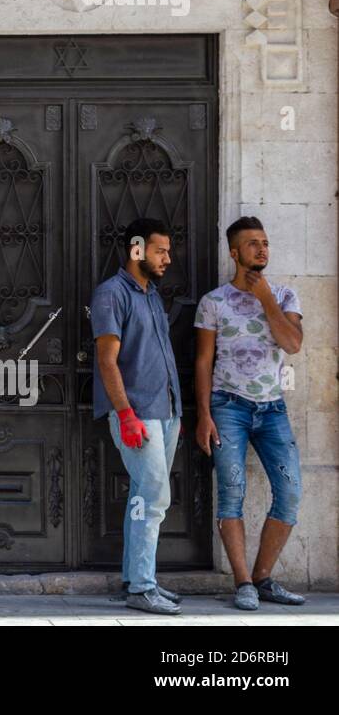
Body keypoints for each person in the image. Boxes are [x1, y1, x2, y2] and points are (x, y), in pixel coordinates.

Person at [194, 216, 306, 611]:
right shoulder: (213, 302)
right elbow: (203, 362)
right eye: (252, 243)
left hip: (272, 409)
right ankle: (243, 583)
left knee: (290, 493)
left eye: (265, 242)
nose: (261, 249)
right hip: (228, 407)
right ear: (234, 252)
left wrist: (267, 301)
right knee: (232, 493)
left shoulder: (285, 296)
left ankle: (263, 577)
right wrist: (204, 414)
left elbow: (292, 344)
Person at [90, 217, 184, 615]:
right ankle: (143, 587)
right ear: (136, 249)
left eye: (168, 251)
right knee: (154, 497)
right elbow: (107, 361)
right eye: (160, 251)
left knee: (143, 498)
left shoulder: (151, 295)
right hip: (137, 414)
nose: (168, 258)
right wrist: (126, 414)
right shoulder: (111, 294)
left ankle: (135, 579)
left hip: (166, 410)